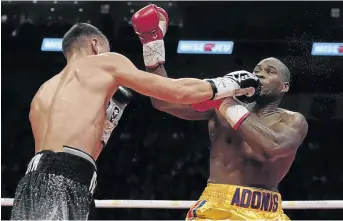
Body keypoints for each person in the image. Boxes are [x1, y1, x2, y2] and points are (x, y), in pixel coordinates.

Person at [10, 21, 258, 220]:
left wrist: (110, 119)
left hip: (32, 183)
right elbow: (176, 92)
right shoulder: (104, 63)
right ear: (95, 45)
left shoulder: (43, 91)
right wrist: (229, 83)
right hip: (65, 183)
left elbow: (79, 150)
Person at [132, 4, 308, 221]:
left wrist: (226, 103)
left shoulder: (292, 120)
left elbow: (271, 148)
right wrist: (152, 44)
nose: (260, 74)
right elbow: (163, 101)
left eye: (270, 72)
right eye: (256, 71)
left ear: (285, 86)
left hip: (264, 212)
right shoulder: (219, 109)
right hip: (216, 206)